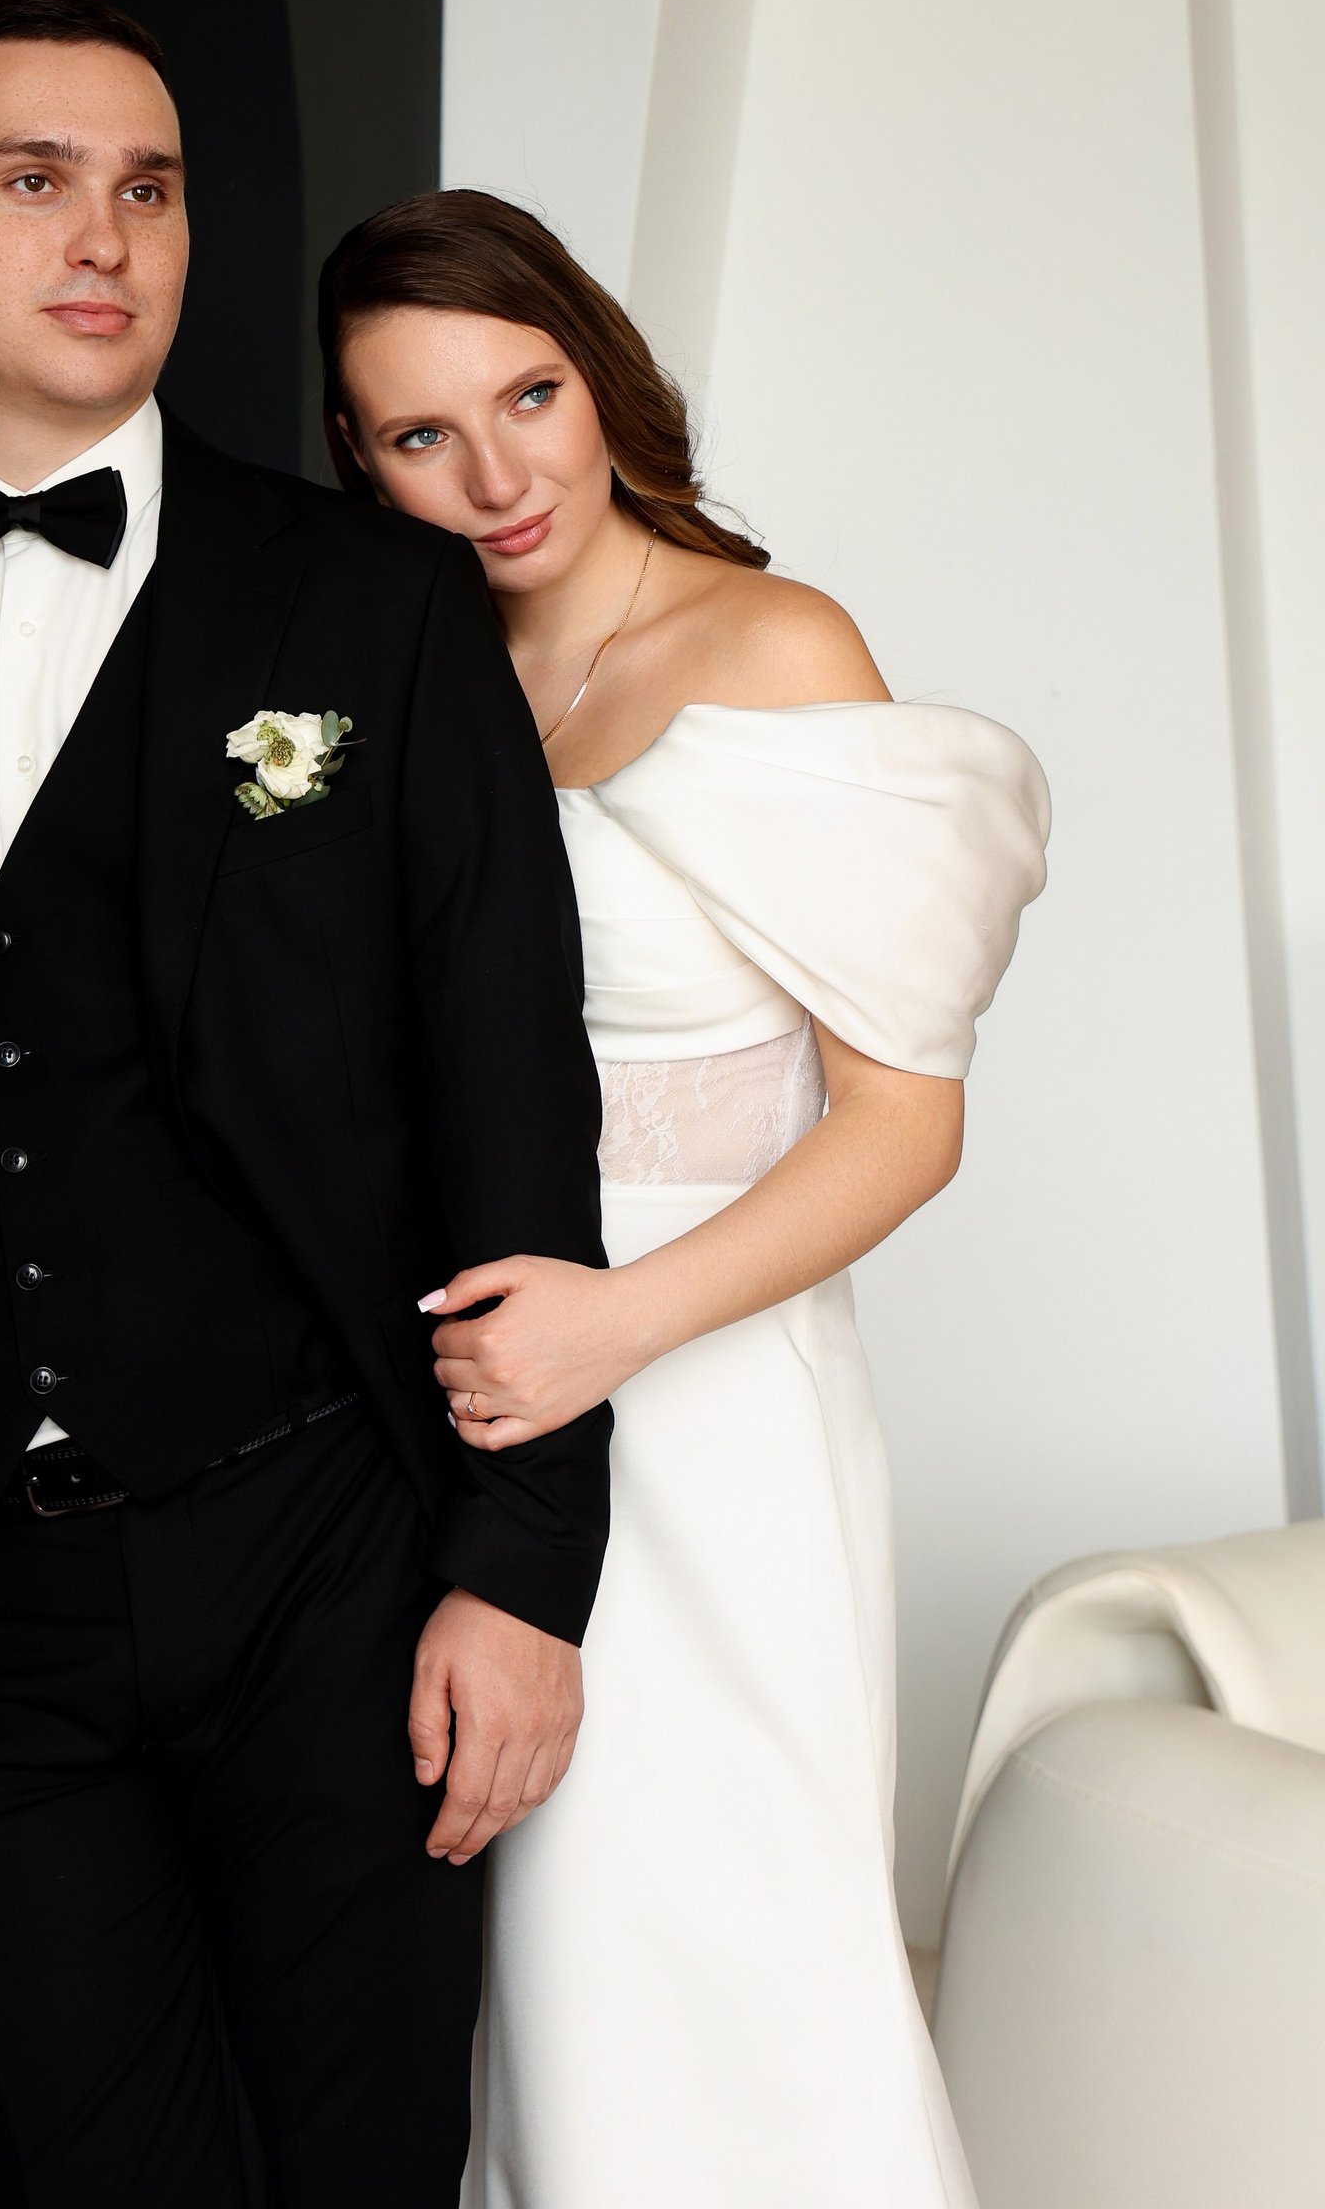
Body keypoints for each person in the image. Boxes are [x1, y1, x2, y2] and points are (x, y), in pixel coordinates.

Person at [0, 0, 613, 2209]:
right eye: (35, 180)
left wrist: (525, 1572)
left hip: (335, 1562)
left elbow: (509, 1090)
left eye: (149, 190)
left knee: (359, 2170)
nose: (106, 238)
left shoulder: (376, 602)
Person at [317, 190, 1050, 2209]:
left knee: (721, 1942)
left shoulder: (774, 648)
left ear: (601, 378)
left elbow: (906, 1123)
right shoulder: (408, 673)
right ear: (361, 464)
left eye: (529, 397)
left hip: (710, 1401)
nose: (498, 475)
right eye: (422, 434)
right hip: (468, 1402)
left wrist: (613, 1326)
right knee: (540, 1981)